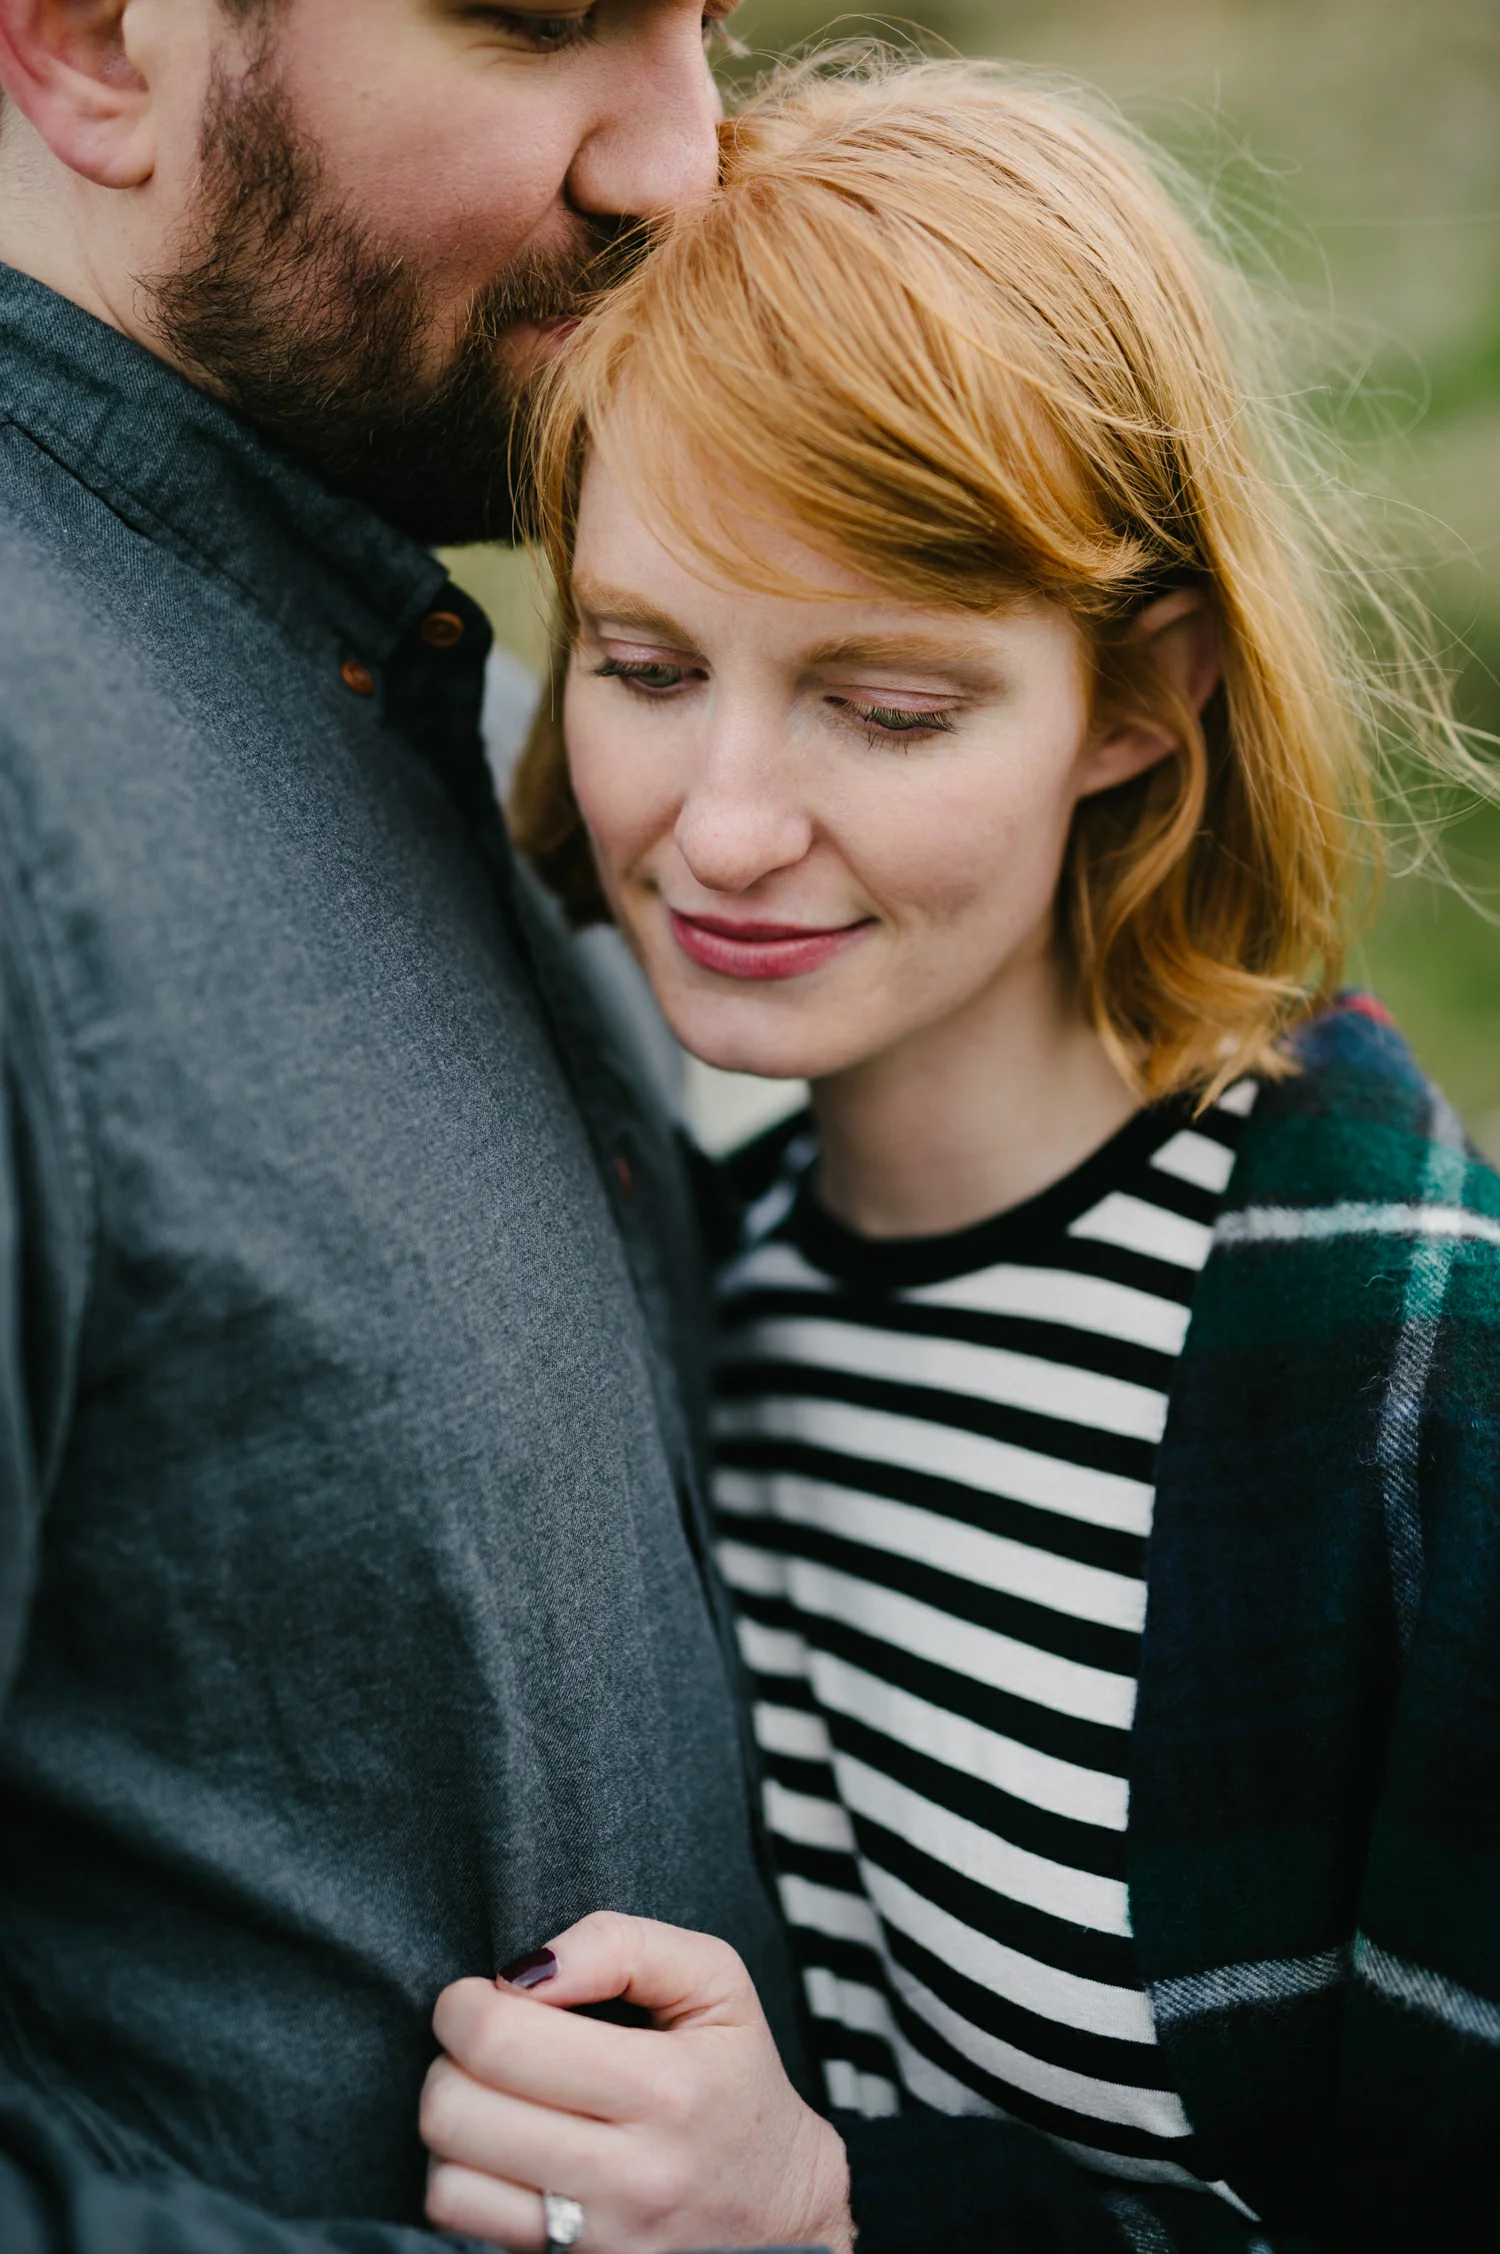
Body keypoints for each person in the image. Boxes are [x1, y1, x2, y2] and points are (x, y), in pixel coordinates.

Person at [418, 56, 1500, 2254]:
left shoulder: (1412, 1376)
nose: (720, 823)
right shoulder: (685, 1272)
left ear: (1143, 693)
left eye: (885, 706)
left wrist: (838, 2210)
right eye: (641, 662)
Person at [0, 3, 813, 2251]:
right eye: (542, 18)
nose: (683, 159)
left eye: (710, 22)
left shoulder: (502, 718)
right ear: (88, 46)